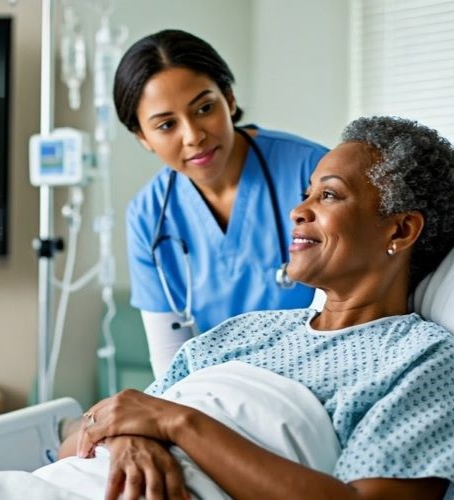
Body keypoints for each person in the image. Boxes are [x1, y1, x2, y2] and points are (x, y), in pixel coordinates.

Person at [71, 116, 454, 500]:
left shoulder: (422, 359)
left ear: (400, 231)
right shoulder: (243, 332)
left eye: (330, 195)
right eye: (306, 194)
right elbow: (99, 430)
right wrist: (124, 438)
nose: (298, 211)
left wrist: (177, 423)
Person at [117, 29, 329, 377]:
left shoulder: (312, 172)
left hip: (321, 374)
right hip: (225, 391)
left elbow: (364, 297)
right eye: (167, 125)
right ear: (143, 137)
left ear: (229, 99)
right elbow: (170, 358)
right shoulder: (148, 216)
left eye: (204, 108)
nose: (193, 136)